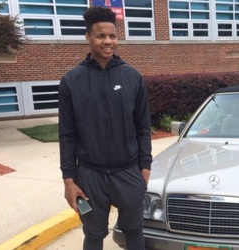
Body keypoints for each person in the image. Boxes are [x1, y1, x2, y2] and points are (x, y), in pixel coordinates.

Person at [58, 6, 152, 250]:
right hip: (89, 174)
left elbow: (143, 126)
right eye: (100, 36)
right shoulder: (71, 81)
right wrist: (69, 179)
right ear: (88, 37)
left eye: (112, 35)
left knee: (134, 231)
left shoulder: (132, 77)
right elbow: (66, 134)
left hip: (128, 171)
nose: (108, 41)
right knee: (93, 233)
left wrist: (145, 167)